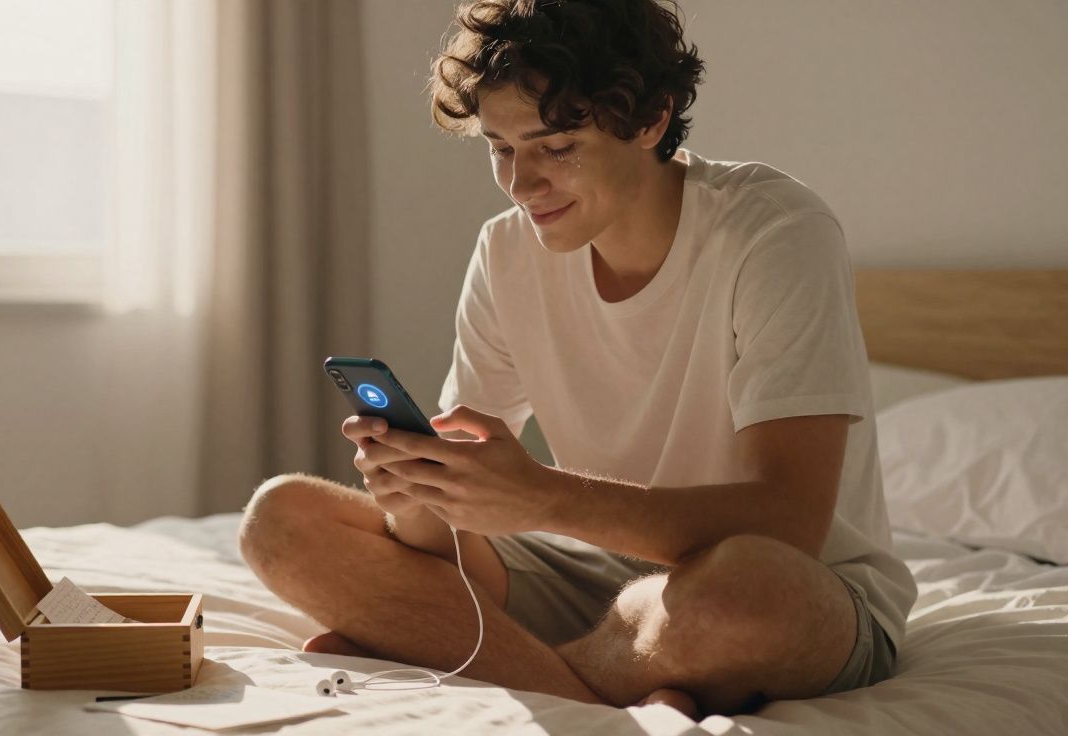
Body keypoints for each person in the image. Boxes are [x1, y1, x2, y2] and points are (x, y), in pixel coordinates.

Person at [238, 0, 916, 719]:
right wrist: (419, 493)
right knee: (281, 520)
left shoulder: (774, 232)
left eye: (557, 147)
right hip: (602, 578)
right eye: (501, 149)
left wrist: (540, 498)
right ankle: (599, 685)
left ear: (651, 119)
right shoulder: (506, 252)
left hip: (787, 584)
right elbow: (445, 543)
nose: (522, 185)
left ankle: (466, 657)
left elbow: (788, 524)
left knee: (742, 593)